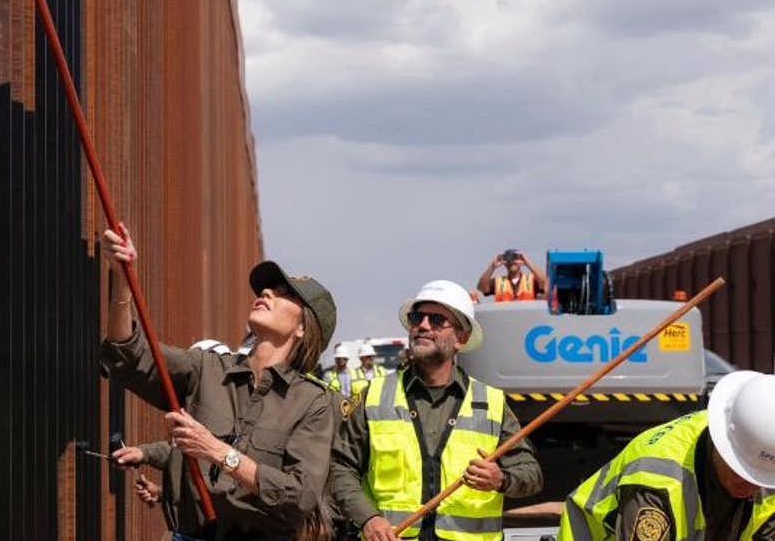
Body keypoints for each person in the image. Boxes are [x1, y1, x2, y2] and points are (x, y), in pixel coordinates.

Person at [100, 224, 338, 540]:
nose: (266, 293)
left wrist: (217, 451)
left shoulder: (314, 402)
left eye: (286, 294)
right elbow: (129, 355)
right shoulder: (207, 368)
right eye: (267, 289)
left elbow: (300, 496)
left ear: (304, 329)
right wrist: (122, 280)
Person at [330, 279, 543, 541]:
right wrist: (368, 518)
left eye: (437, 320)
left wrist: (501, 479)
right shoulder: (373, 398)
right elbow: (340, 469)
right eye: (417, 317)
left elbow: (531, 474)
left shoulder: (491, 403)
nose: (422, 326)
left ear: (461, 339)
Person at [559, 370, 775, 541]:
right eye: (740, 470)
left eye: (759, 477)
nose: (751, 486)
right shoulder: (655, 485)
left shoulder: (764, 452)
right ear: (721, 444)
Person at [477, 248, 547, 301]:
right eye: (508, 258)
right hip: (504, 318)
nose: (512, 261)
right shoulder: (498, 282)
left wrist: (527, 263)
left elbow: (545, 283)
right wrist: (492, 266)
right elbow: (481, 288)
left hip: (527, 318)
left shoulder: (531, 280)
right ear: (504, 263)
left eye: (515, 258)